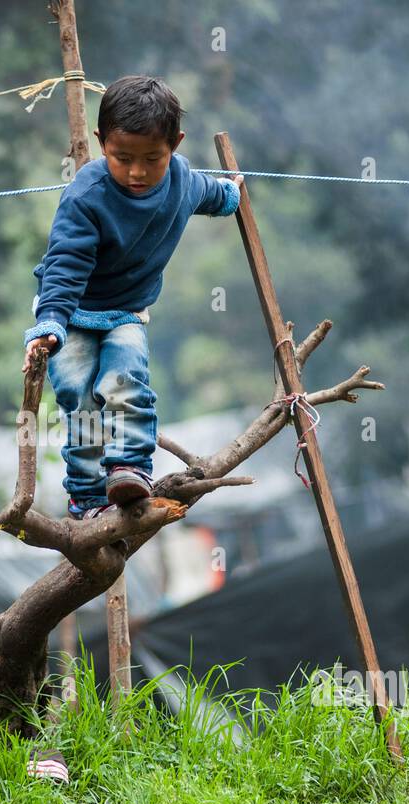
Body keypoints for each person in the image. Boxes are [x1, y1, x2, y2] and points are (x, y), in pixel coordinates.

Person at [21, 74, 243, 519]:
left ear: (175, 145)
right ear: (102, 142)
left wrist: (231, 193)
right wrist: (50, 326)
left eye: (151, 159)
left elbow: (211, 194)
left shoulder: (182, 181)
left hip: (126, 312)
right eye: (122, 158)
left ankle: (129, 468)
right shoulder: (86, 195)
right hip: (71, 312)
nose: (137, 172)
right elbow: (63, 266)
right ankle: (87, 496)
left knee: (125, 380)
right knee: (77, 396)